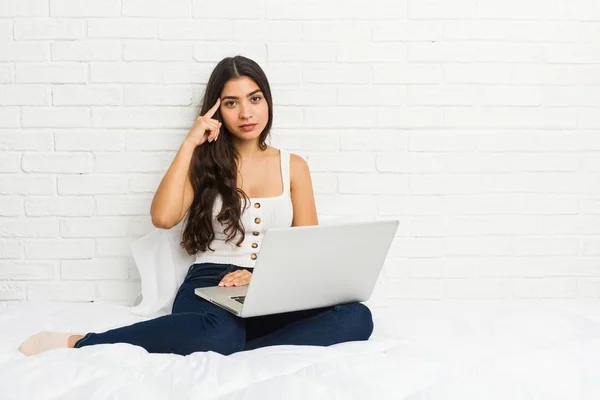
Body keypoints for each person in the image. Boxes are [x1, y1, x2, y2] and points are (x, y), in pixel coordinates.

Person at [18, 55, 374, 357]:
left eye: (255, 99)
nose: (246, 113)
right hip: (210, 283)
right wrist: (190, 142)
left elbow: (305, 249)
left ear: (268, 102)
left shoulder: (293, 166)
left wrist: (258, 276)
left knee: (358, 318)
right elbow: (162, 218)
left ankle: (236, 347)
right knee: (218, 332)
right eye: (232, 103)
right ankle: (83, 341)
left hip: (273, 286)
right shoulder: (203, 163)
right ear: (217, 110)